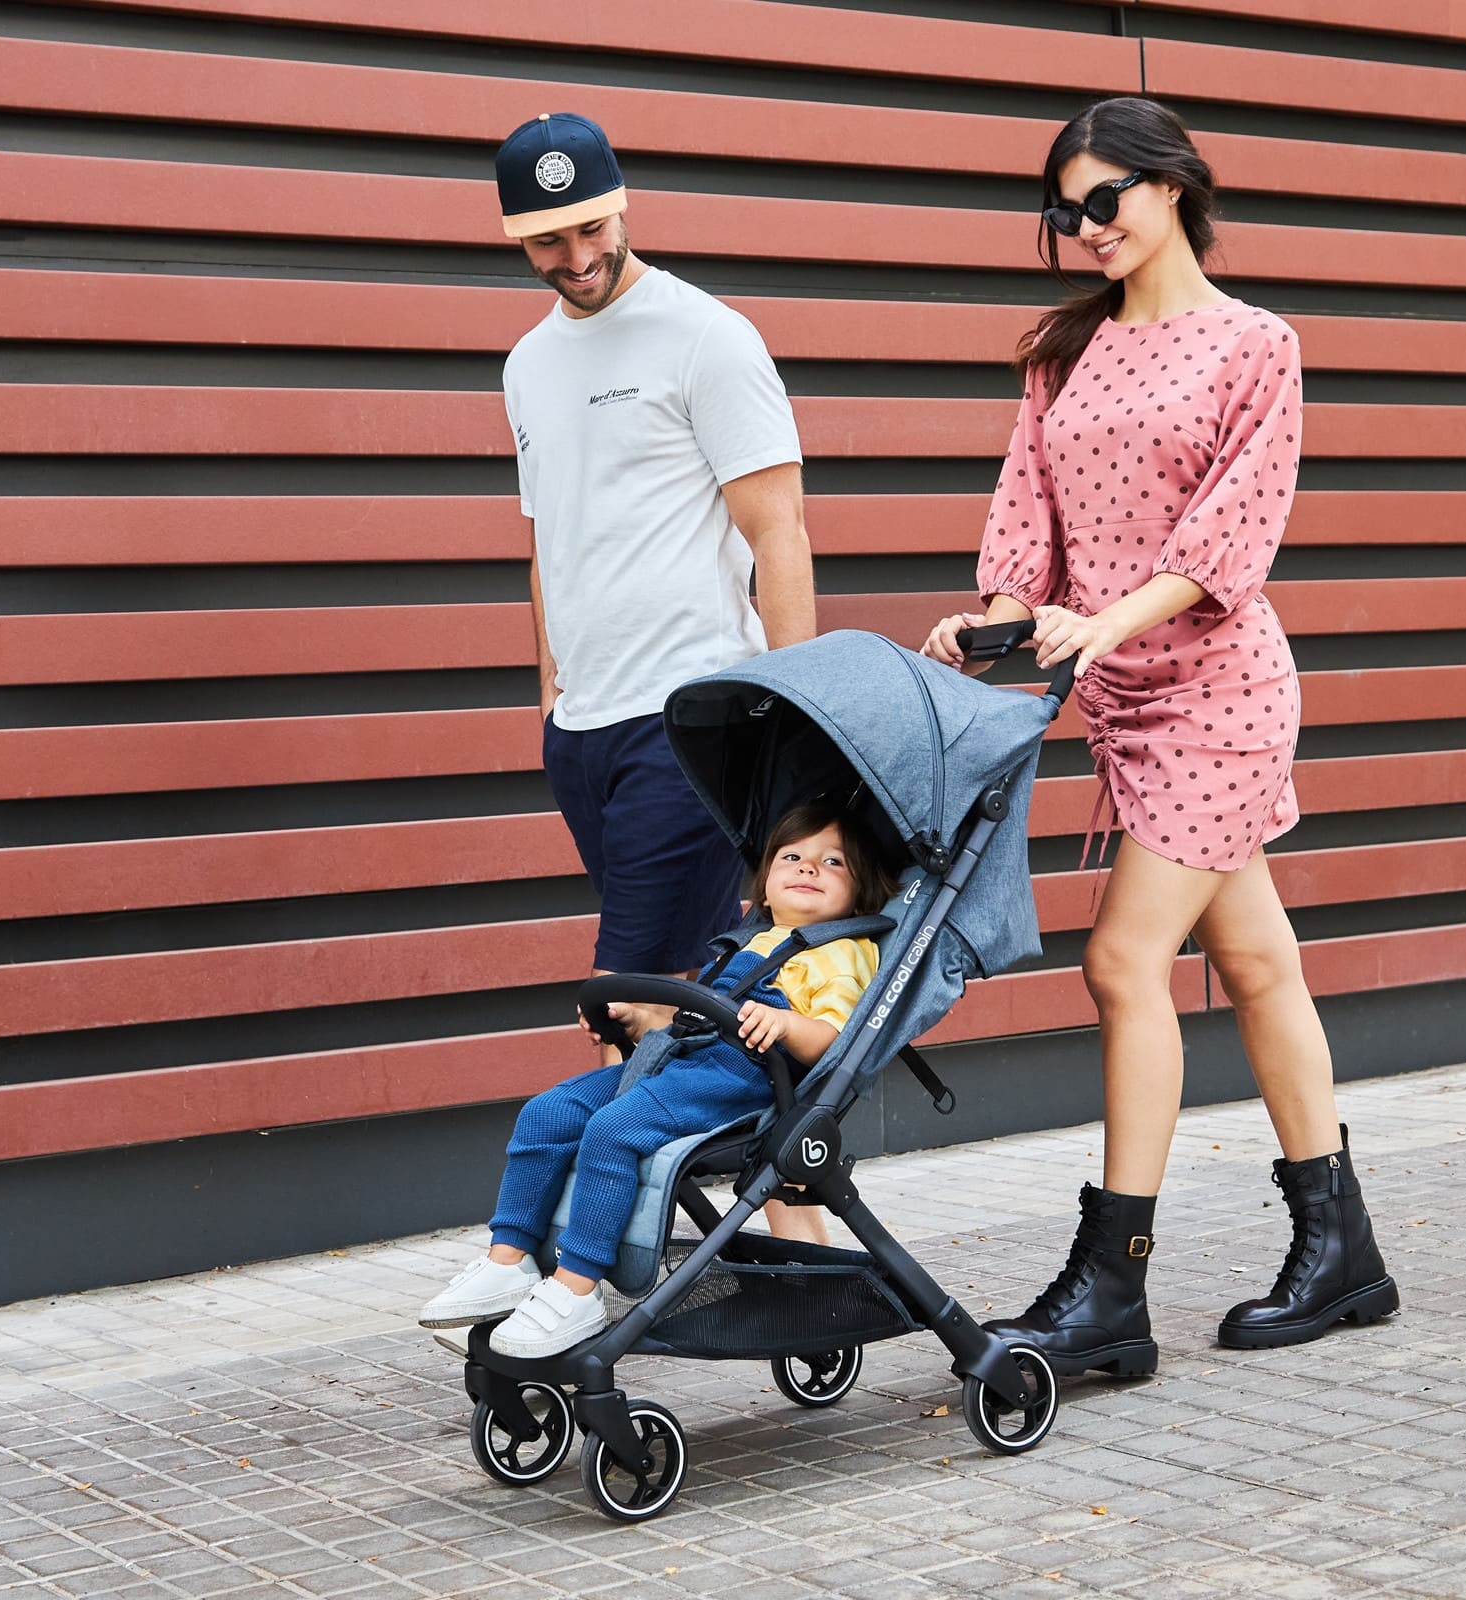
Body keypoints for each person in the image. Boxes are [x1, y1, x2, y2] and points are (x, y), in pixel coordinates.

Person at [922, 97, 1397, 1375]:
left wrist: (1102, 623)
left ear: (1171, 185)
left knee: (1122, 961)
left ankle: (1111, 1288)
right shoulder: (1061, 352)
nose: (1085, 227)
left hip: (1220, 697)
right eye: (1063, 210)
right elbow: (1027, 526)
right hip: (1118, 701)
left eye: (1104, 199)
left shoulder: (1254, 344)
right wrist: (992, 618)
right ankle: (1342, 1249)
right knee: (1257, 965)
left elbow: (1226, 541)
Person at [490, 112, 828, 1248]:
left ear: (622, 202)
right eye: (547, 241)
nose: (576, 257)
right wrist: (551, 693)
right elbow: (548, 540)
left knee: (629, 1000)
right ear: (514, 237)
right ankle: (796, 1246)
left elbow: (777, 529)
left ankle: (577, 1264)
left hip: (690, 722)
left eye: (591, 227)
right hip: (585, 733)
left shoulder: (705, 337)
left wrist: (790, 712)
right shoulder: (527, 364)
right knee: (703, 994)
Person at [417, 803, 896, 1354]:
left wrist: (788, 1023)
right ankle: (509, 1258)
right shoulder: (748, 941)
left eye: (832, 862)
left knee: (613, 1131)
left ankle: (576, 1288)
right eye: (792, 857)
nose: (808, 867)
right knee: (547, 1113)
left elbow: (836, 1039)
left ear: (860, 894)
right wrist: (639, 1020)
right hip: (684, 1060)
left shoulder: (844, 953)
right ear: (765, 885)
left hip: (744, 1080)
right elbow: (697, 1020)